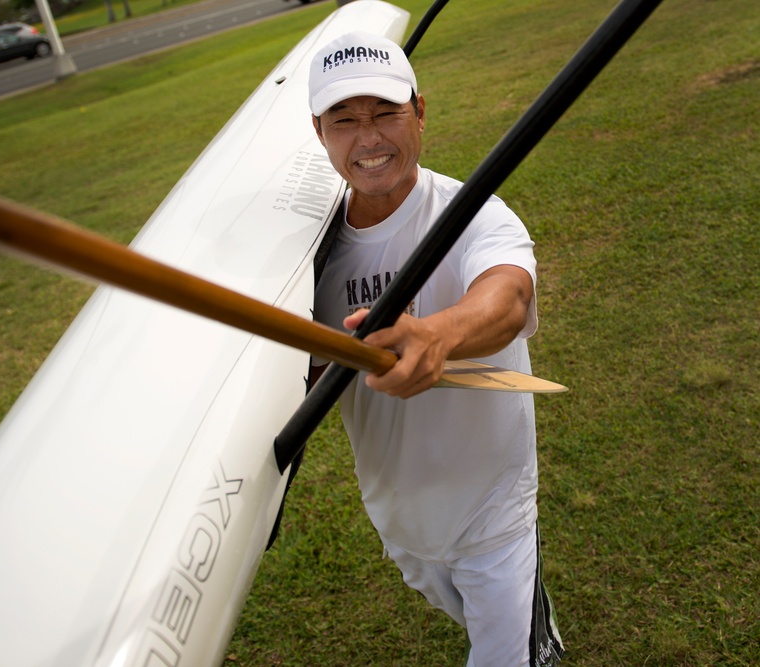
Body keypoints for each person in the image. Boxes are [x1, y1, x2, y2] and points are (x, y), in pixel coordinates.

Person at [306, 31, 564, 666]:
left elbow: (506, 297)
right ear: (320, 132)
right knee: (485, 627)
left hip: (492, 515)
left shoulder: (475, 214)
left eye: (386, 114)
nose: (368, 139)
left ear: (420, 112)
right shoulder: (309, 258)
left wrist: (437, 336)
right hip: (402, 526)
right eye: (345, 120)